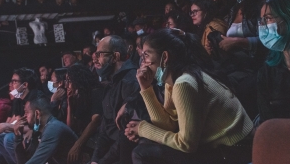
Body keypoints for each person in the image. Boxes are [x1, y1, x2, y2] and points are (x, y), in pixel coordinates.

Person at [124, 29, 253, 164]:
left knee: (141, 153)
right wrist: (146, 88)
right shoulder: (174, 80)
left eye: (146, 55)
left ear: (165, 57)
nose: (142, 62)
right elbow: (167, 126)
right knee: (144, 143)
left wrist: (143, 129)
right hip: (226, 147)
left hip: (235, 151)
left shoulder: (184, 83)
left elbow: (186, 145)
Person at [90, 35, 148, 164]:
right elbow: (105, 128)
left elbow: (126, 137)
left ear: (115, 56)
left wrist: (102, 162)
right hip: (113, 153)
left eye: (99, 54)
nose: (95, 59)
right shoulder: (111, 81)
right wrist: (95, 159)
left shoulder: (130, 81)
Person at [0, 68, 42, 164]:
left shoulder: (36, 98)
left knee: (8, 139)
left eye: (14, 81)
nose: (11, 84)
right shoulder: (18, 100)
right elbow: (19, 124)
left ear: (25, 85)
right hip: (25, 133)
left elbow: (39, 125)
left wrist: (6, 126)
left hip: (38, 133)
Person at [256, 0, 290, 126]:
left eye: (269, 18)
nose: (264, 26)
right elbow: (268, 122)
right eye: (262, 20)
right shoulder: (267, 71)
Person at [14, 97, 78, 164]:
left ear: (37, 114)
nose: (24, 116)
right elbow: (25, 161)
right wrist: (18, 137)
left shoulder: (53, 128)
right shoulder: (39, 131)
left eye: (26, 112)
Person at [66, 65, 103, 163]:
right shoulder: (81, 97)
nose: (67, 85)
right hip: (86, 139)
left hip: (96, 140)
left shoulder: (95, 92)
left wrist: (78, 145)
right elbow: (70, 125)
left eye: (69, 81)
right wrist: (70, 105)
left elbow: (96, 120)